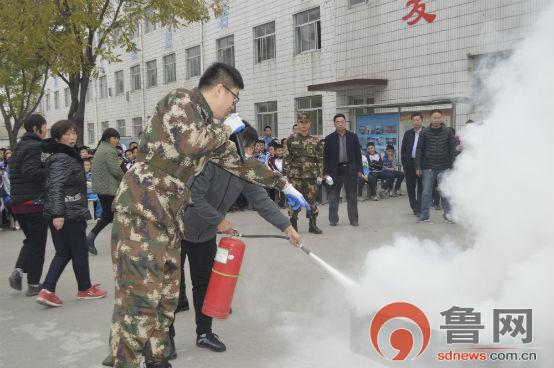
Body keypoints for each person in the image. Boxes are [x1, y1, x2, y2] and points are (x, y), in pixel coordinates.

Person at [107, 62, 308, 368]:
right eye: (234, 97)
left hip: (170, 215)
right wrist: (226, 128)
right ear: (220, 89)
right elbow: (189, 143)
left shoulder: (210, 130)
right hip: (141, 209)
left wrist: (284, 183)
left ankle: (157, 358)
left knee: (165, 295)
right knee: (139, 299)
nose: (232, 106)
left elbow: (240, 164)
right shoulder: (181, 101)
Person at [36, 120, 107, 307]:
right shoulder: (61, 157)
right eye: (67, 133)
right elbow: (56, 186)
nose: (72, 136)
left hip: (64, 211)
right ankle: (84, 289)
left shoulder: (63, 154)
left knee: (64, 252)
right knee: (80, 251)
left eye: (73, 132)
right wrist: (59, 214)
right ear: (58, 137)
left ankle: (47, 289)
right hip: (67, 213)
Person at [7, 114, 49, 297]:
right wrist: (50, 171)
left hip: (18, 204)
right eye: (45, 127)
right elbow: (31, 171)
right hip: (34, 203)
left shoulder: (19, 147)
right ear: (36, 128)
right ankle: (33, 284)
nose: (46, 130)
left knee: (31, 241)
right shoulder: (36, 146)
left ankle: (18, 270)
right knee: (38, 244)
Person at [86, 128, 124, 255]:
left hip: (102, 189)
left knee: (107, 216)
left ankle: (90, 237)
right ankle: (120, 244)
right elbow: (115, 170)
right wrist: (126, 179)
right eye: (115, 138)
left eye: (118, 138)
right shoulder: (109, 151)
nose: (117, 140)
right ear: (108, 138)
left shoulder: (100, 148)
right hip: (110, 189)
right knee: (120, 215)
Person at [284, 113, 323, 234]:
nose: (303, 125)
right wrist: (286, 176)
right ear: (298, 123)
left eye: (306, 122)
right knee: (294, 202)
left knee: (311, 202)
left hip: (310, 177)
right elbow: (286, 159)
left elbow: (320, 159)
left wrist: (320, 175)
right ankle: (293, 226)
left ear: (310, 124)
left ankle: (312, 225)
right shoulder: (290, 140)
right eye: (301, 122)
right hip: (294, 178)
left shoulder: (316, 141)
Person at [415, 109, 456, 223]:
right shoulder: (424, 132)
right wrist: (418, 167)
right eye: (434, 118)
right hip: (428, 167)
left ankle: (448, 215)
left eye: (438, 117)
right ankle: (424, 215)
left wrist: (452, 165)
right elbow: (419, 150)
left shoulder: (448, 132)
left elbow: (452, 150)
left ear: (441, 118)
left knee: (445, 192)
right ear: (430, 119)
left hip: (444, 167)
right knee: (426, 192)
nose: (436, 120)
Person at [323, 113, 363, 226]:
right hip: (335, 171)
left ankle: (354, 220)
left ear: (345, 122)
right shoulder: (329, 139)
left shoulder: (353, 136)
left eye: (342, 121)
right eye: (337, 122)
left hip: (350, 170)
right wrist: (325, 173)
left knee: (352, 197)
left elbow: (358, 154)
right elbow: (325, 157)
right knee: (333, 197)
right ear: (334, 124)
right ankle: (333, 220)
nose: (340, 123)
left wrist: (359, 169)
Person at [401, 112, 424, 215]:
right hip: (409, 164)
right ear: (412, 121)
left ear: (421, 120)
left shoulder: (426, 132)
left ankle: (419, 206)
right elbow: (403, 150)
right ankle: (414, 207)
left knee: (421, 187)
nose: (416, 122)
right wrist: (405, 162)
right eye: (414, 120)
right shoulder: (408, 133)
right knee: (410, 187)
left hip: (422, 164)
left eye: (418, 120)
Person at [268, 143, 286, 208]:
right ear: (275, 151)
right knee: (273, 189)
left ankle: (282, 202)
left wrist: (284, 175)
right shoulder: (271, 159)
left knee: (284, 187)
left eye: (282, 150)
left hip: (284, 176)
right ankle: (273, 202)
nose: (280, 152)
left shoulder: (285, 159)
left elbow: (287, 168)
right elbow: (271, 167)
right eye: (279, 150)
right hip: (274, 176)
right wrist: (278, 174)